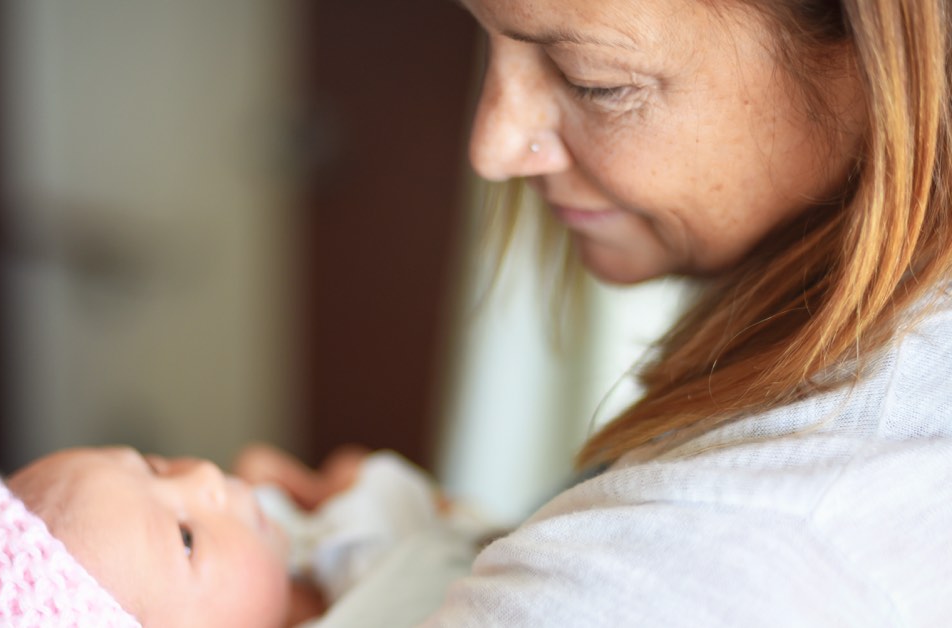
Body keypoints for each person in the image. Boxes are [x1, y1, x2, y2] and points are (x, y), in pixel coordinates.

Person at [248, 0, 950, 625]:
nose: (490, 149)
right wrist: (425, 556)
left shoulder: (727, 548)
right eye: (484, 37)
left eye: (594, 80)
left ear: (880, 66)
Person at [0, 445, 487, 627]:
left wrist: (327, 488)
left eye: (154, 465)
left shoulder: (277, 540)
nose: (201, 476)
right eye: (187, 539)